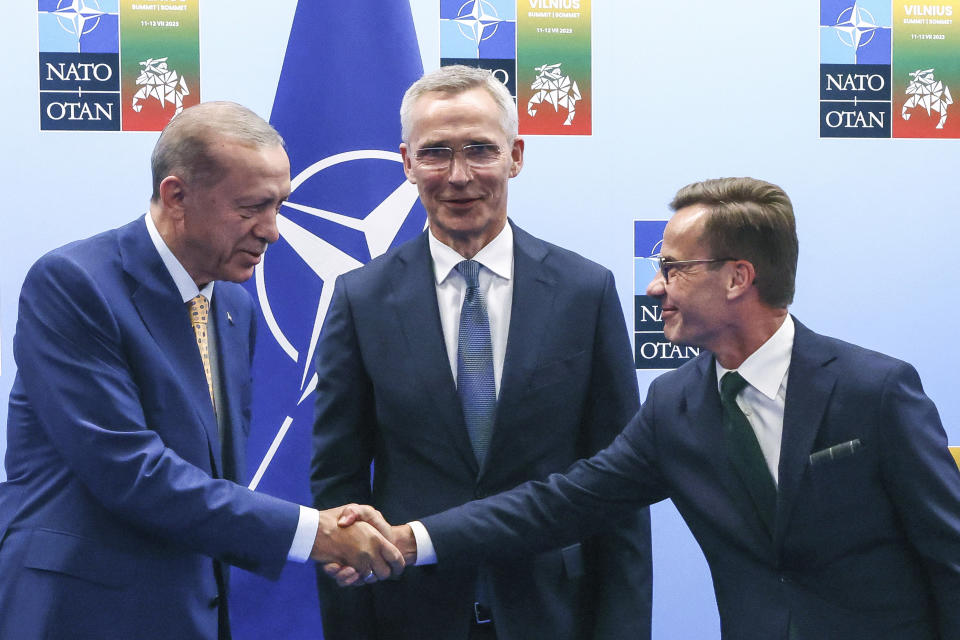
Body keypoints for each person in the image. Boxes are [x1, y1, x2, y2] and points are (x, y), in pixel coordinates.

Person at [338, 177, 960, 640]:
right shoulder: (676, 406)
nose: (655, 287)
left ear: (738, 278)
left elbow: (949, 551)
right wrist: (412, 538)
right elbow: (560, 504)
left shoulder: (875, 391)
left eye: (671, 268)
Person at [0, 102, 402, 640]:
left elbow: (213, 479)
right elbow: (129, 470)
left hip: (191, 611)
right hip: (80, 611)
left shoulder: (234, 308)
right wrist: (313, 533)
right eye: (252, 208)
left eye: (280, 205)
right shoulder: (74, 284)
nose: (273, 232)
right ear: (176, 196)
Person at [310, 65, 652, 640]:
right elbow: (339, 492)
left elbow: (618, 489)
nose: (459, 175)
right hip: (410, 615)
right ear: (407, 162)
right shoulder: (360, 299)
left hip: (553, 614)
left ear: (516, 156)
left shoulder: (585, 292)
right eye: (436, 153)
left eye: (480, 150)